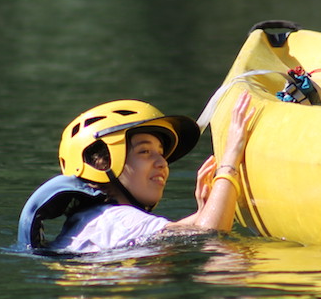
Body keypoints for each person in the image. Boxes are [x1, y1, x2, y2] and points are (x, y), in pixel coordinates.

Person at [17, 92, 254, 253]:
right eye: (145, 152)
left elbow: (178, 234)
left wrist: (203, 213)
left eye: (161, 153)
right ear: (103, 163)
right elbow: (210, 235)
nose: (162, 162)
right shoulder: (118, 219)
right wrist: (231, 156)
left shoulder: (94, 220)